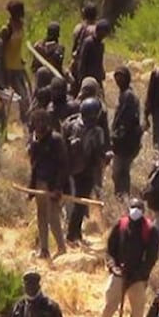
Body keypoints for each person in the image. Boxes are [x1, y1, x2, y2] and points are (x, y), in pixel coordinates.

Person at [96, 198, 159, 317]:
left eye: (139, 208)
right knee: (108, 310)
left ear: (143, 210)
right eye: (133, 207)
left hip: (137, 280)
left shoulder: (150, 230)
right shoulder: (121, 225)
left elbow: (151, 258)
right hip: (119, 275)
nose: (135, 211)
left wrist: (137, 275)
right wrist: (113, 267)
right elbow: (110, 250)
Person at [62, 97, 108, 245]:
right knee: (76, 203)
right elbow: (62, 147)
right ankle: (71, 235)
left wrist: (104, 157)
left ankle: (74, 234)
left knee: (80, 203)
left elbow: (98, 151)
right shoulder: (72, 126)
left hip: (86, 169)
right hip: (71, 168)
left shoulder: (95, 130)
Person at [27, 109, 69, 258]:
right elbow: (33, 165)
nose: (39, 125)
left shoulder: (56, 140)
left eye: (41, 122)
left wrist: (58, 187)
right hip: (39, 183)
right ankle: (44, 250)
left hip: (52, 185)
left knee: (53, 217)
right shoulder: (33, 141)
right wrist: (31, 187)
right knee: (41, 216)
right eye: (36, 122)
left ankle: (61, 248)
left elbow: (63, 166)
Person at [111, 66, 143, 198]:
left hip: (126, 141)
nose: (118, 81)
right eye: (116, 78)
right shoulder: (125, 94)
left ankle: (122, 196)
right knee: (121, 171)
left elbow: (126, 121)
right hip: (127, 141)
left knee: (119, 171)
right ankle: (122, 196)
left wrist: (116, 137)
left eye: (121, 78)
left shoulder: (128, 96)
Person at [0, 0, 31, 120]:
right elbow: (1, 50)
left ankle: (26, 121)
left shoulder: (21, 25)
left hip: (17, 66)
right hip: (8, 67)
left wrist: (20, 59)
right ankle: (3, 122)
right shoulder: (6, 29)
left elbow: (16, 46)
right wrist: (3, 69)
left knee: (24, 96)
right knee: (5, 98)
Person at [73, 19, 110, 95]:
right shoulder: (88, 42)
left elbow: (100, 60)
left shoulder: (101, 45)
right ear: (99, 30)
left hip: (97, 76)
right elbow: (82, 60)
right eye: (104, 32)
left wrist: (102, 72)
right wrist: (81, 77)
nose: (105, 35)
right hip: (87, 76)